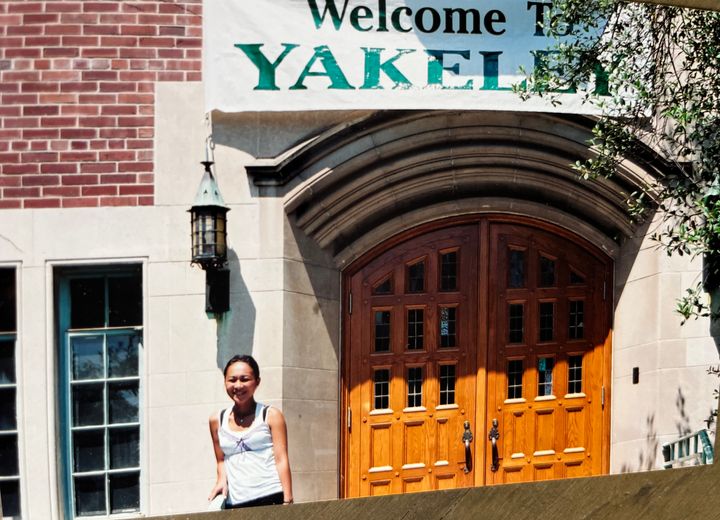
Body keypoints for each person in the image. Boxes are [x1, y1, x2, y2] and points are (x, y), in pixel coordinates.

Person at [207, 355, 294, 508]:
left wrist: (288, 500)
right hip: (236, 502)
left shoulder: (271, 415)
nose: (238, 385)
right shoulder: (216, 420)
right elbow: (221, 460)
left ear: (257, 382)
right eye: (232, 380)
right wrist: (221, 480)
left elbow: (281, 459)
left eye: (245, 379)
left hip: (271, 496)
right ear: (225, 382)